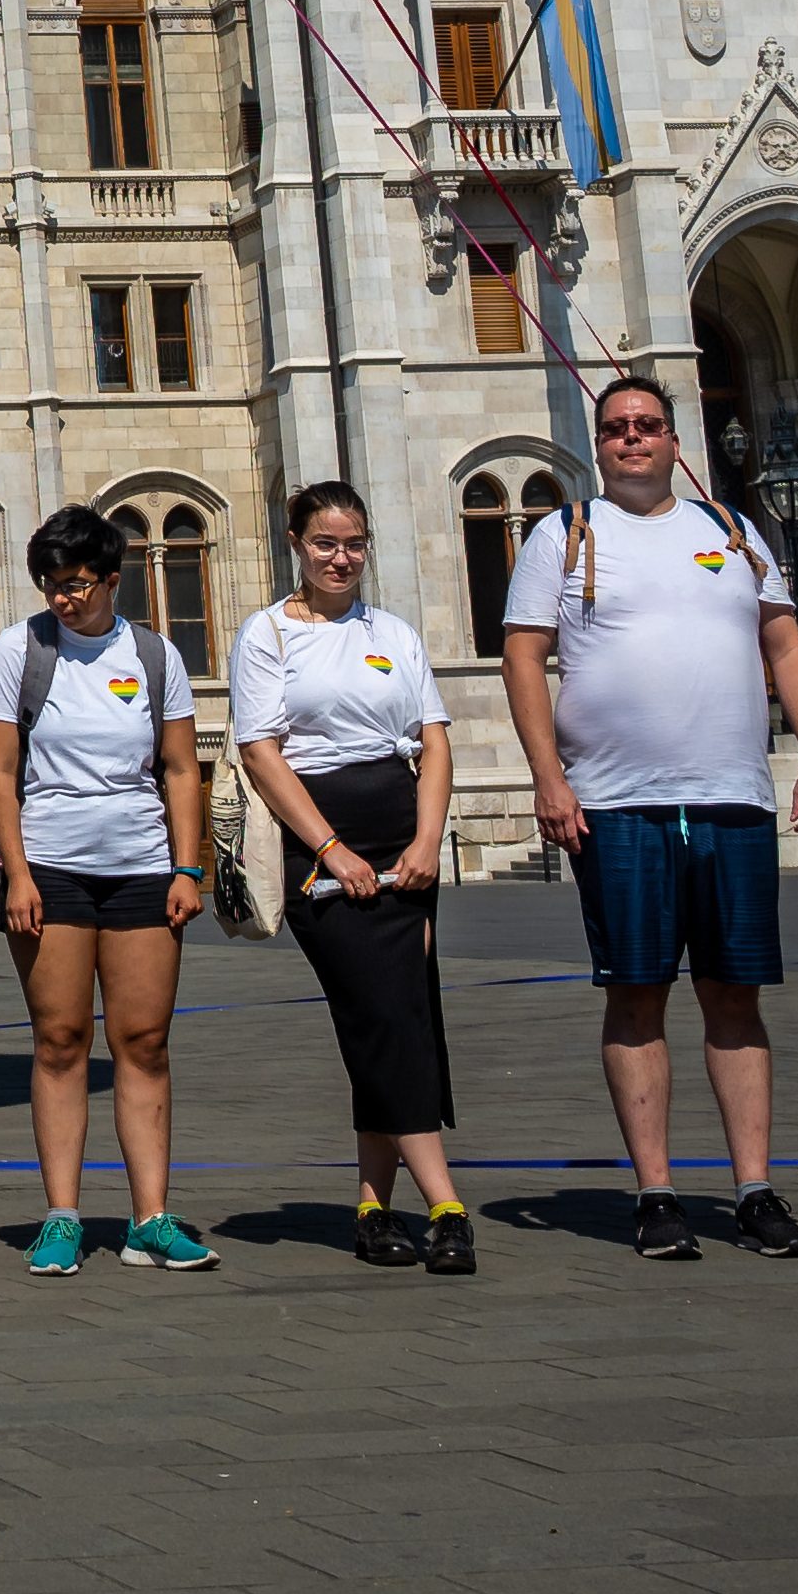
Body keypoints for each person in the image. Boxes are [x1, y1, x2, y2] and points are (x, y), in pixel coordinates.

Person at [503, 372, 798, 1263]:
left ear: (675, 438)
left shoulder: (729, 531)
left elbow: (784, 644)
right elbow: (524, 656)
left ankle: (755, 1188)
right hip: (615, 802)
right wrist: (548, 777)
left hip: (729, 793)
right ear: (597, 442)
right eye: (615, 427)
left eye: (647, 424)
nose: (631, 438)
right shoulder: (563, 533)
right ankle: (654, 1192)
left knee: (736, 994)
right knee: (636, 990)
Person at [231, 483, 470, 1275]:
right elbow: (261, 749)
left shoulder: (391, 632)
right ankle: (445, 1201)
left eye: (354, 543)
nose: (341, 558)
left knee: (399, 1014)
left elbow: (431, 740)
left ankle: (373, 1209)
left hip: (404, 841)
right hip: (320, 840)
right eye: (325, 543)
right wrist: (330, 848)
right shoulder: (266, 633)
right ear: (296, 542)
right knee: (380, 1013)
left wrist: (428, 839)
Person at [0, 505, 213, 1275]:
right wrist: (14, 871)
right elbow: (0, 773)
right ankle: (62, 1215)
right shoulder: (19, 650)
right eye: (48, 582)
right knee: (59, 1040)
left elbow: (180, 768)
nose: (61, 597)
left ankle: (150, 1216)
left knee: (143, 1041)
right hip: (50, 869)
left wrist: (187, 866)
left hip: (142, 867)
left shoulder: (152, 655)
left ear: (113, 578)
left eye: (75, 583)